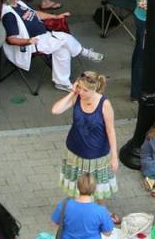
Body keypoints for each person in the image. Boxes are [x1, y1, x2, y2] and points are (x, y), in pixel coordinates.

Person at [0, 0, 101, 93]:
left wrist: (55, 16)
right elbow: (11, 39)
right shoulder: (9, 15)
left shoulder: (18, 3)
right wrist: (28, 41)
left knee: (62, 50)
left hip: (44, 35)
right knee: (64, 38)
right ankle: (85, 52)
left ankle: (62, 83)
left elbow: (35, 13)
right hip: (33, 43)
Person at [51, 72, 118, 200]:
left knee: (98, 190)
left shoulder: (104, 104)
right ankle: (77, 207)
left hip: (96, 155)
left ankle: (101, 211)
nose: (81, 92)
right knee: (76, 187)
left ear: (94, 90)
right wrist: (72, 92)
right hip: (74, 151)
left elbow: (110, 130)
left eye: (85, 90)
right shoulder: (77, 97)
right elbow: (55, 110)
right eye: (79, 88)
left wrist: (114, 156)